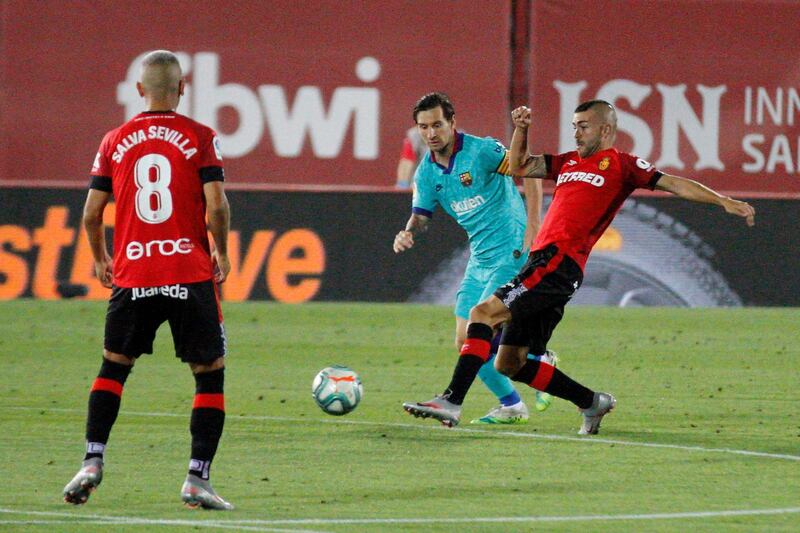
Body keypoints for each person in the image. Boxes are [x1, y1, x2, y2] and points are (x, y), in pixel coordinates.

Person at [403, 100, 755, 433]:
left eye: (583, 126)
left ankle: (451, 401)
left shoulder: (622, 165)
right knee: (510, 362)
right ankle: (592, 402)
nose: (576, 133)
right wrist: (521, 130)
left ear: (605, 130)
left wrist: (722, 200)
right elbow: (522, 165)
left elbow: (674, 183)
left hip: (559, 261)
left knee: (481, 315)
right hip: (545, 264)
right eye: (574, 126)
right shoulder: (567, 162)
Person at [63, 50, 234, 510]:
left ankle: (92, 460)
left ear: (139, 91)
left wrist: (102, 259)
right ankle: (197, 478)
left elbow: (91, 214)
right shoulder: (200, 136)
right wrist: (221, 249)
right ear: (182, 89)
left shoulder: (114, 140)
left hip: (134, 272)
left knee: (114, 366)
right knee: (209, 374)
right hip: (188, 272)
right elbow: (216, 206)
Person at [394, 92, 556, 426]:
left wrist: (535, 224)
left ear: (452, 122)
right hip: (479, 259)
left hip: (511, 250)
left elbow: (529, 168)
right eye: (424, 127)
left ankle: (530, 361)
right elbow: (421, 216)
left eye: (438, 124)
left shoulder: (481, 151)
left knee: (480, 328)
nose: (431, 133)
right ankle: (513, 401)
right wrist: (408, 231)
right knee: (463, 340)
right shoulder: (425, 174)